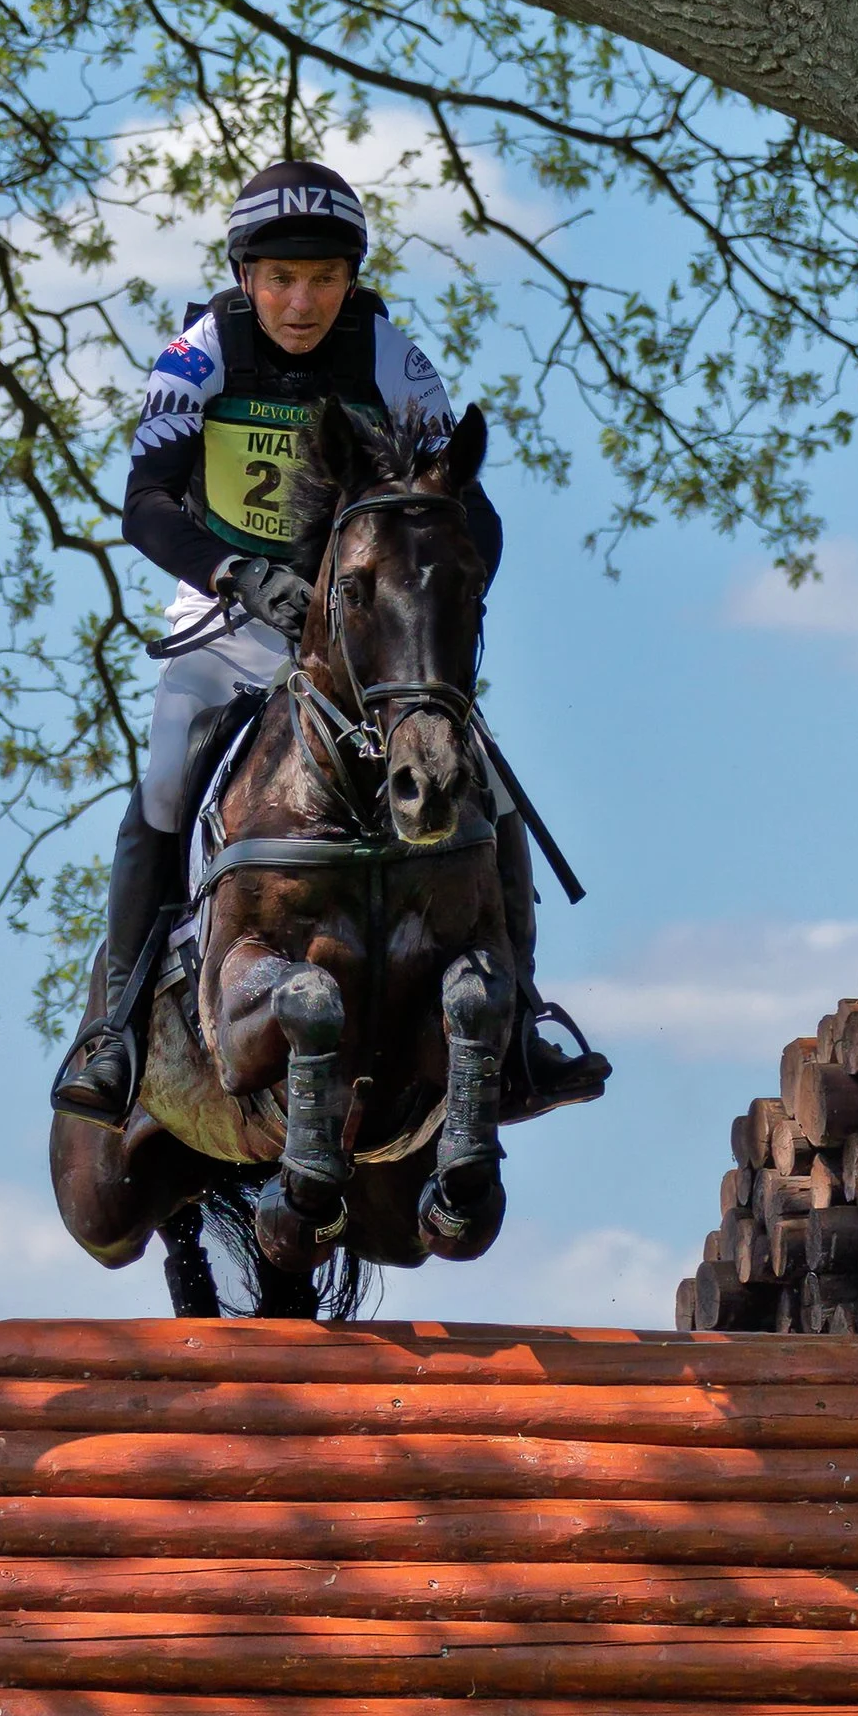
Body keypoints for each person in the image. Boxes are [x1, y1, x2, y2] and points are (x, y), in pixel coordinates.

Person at [52, 158, 607, 1127]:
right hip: (224, 627)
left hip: (360, 647)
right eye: (279, 279)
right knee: (163, 793)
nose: (301, 302)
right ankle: (119, 1031)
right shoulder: (198, 355)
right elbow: (143, 506)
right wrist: (233, 571)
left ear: (350, 280)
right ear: (243, 277)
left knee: (490, 788)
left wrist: (434, 618)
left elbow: (467, 509)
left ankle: (518, 1025)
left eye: (323, 279)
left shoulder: (392, 361)